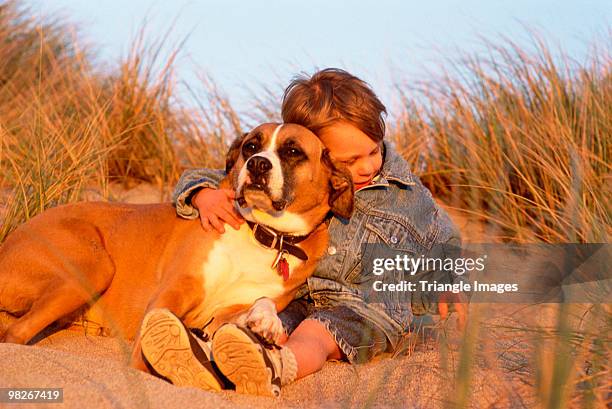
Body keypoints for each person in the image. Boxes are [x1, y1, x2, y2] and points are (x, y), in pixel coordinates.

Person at [139, 68, 464, 396]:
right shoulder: (304, 175)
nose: (367, 167)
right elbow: (220, 175)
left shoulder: (406, 195)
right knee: (266, 322)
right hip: (305, 297)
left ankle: (280, 368)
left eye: (374, 150)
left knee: (316, 335)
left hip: (368, 307)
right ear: (323, 158)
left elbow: (443, 236)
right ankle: (214, 359)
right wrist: (201, 193)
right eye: (350, 160)